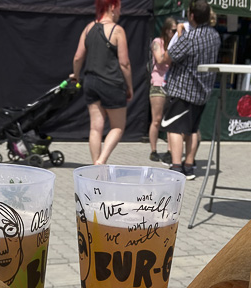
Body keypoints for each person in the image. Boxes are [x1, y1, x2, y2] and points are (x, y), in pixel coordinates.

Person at [161, 0, 220, 180]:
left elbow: (167, 58)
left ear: (191, 16)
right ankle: (189, 165)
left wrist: (178, 35)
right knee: (193, 130)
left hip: (183, 89)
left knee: (174, 128)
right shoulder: (215, 36)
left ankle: (177, 166)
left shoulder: (189, 37)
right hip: (202, 91)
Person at [70, 0, 133, 165]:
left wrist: (76, 75)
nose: (120, 12)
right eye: (119, 8)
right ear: (112, 7)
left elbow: (78, 57)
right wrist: (129, 87)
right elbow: (124, 63)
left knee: (95, 128)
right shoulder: (117, 30)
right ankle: (101, 161)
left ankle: (95, 166)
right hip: (112, 83)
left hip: (90, 82)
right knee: (118, 127)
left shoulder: (88, 28)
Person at [148, 17, 176, 163]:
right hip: (158, 84)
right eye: (173, 30)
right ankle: (153, 150)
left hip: (172, 85)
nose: (175, 33)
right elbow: (159, 60)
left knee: (171, 120)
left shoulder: (176, 44)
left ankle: (170, 151)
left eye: (177, 31)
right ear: (166, 30)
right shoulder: (157, 43)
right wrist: (173, 52)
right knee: (157, 120)